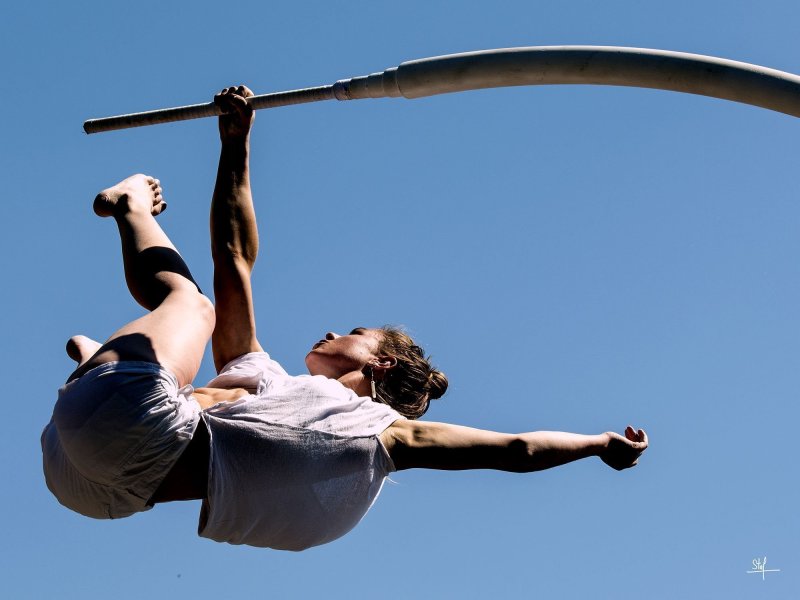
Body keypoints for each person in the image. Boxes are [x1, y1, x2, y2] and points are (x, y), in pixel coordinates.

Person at [42, 86, 648, 551]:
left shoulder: (378, 432)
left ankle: (129, 207)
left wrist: (596, 442)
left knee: (192, 304)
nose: (333, 333)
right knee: (205, 336)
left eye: (355, 334)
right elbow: (233, 255)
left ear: (381, 363)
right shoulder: (266, 381)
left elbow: (513, 447)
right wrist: (235, 145)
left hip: (117, 450)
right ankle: (105, 363)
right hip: (90, 488)